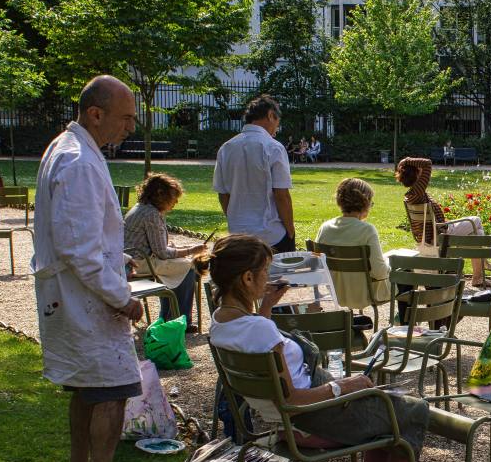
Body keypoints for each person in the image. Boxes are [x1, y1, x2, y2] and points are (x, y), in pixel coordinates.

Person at [202, 234, 435, 462]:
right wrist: (342, 387)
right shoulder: (259, 330)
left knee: (391, 405)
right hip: (310, 417)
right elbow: (294, 400)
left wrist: (267, 305)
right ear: (247, 278)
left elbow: (257, 344)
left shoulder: (221, 322)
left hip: (287, 419)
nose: (269, 278)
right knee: (413, 411)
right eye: (265, 272)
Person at [32, 75, 149, 462]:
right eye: (124, 118)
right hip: (83, 299)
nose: (129, 128)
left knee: (86, 389)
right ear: (95, 113)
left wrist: (116, 257)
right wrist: (122, 298)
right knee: (110, 391)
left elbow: (76, 233)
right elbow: (78, 250)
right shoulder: (78, 160)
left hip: (72, 290)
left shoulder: (66, 148)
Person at [124, 173, 207, 333]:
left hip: (133, 259)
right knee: (188, 266)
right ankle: (181, 319)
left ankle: (168, 316)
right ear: (161, 195)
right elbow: (162, 252)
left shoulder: (141, 208)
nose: (175, 202)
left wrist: (183, 249)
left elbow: (157, 246)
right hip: (139, 263)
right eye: (174, 198)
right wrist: (192, 250)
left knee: (177, 266)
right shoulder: (151, 214)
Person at [213, 94, 296, 254]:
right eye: (277, 122)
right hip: (271, 234)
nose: (277, 128)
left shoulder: (226, 148)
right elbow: (281, 195)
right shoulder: (273, 147)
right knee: (279, 278)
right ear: (271, 115)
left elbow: (223, 194)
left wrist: (235, 219)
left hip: (238, 234)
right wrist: (290, 230)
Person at [395, 156, 486, 286]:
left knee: (477, 234)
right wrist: (407, 160)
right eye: (419, 170)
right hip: (439, 234)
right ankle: (479, 271)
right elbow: (427, 163)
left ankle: (480, 271)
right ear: (416, 174)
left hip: (434, 232)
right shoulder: (418, 191)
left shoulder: (410, 195)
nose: (422, 171)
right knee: (476, 220)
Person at [316, 178, 391, 311]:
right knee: (404, 275)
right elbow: (380, 273)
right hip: (364, 294)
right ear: (365, 203)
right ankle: (403, 325)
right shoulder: (367, 230)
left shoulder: (325, 228)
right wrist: (389, 264)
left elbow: (318, 265)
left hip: (334, 293)